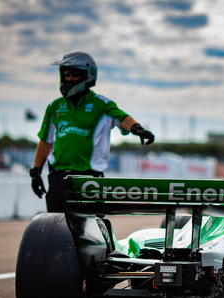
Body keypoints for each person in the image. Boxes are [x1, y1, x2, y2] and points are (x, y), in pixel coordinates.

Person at [29, 51, 155, 213]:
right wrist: (35, 172)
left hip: (90, 180)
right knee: (57, 228)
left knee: (92, 228)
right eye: (66, 73)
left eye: (75, 74)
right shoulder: (54, 107)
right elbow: (45, 142)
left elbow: (122, 118)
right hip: (58, 179)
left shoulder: (101, 105)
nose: (69, 78)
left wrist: (138, 129)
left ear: (88, 75)